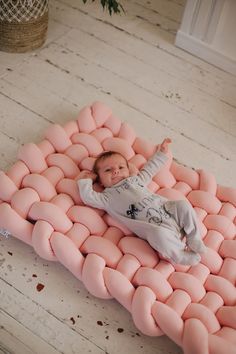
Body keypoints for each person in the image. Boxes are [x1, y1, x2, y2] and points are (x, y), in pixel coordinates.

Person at [77, 138, 206, 265]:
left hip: (170, 213)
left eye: (121, 167)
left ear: (128, 170)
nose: (116, 171)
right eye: (108, 170)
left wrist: (161, 153)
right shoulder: (106, 198)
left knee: (183, 205)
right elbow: (88, 197)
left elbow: (150, 169)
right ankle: (179, 254)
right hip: (156, 228)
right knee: (158, 234)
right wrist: (86, 180)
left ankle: (193, 238)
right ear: (100, 181)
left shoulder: (136, 180)